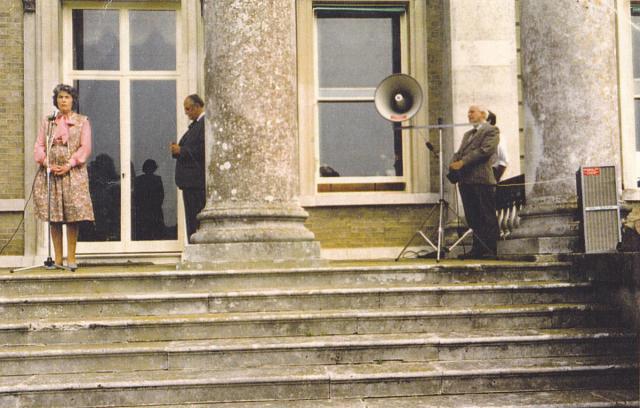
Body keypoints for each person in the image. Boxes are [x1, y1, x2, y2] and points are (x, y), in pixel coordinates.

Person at [33, 84, 94, 270]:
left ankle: (71, 258)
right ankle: (58, 259)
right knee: (55, 216)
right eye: (60, 97)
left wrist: (69, 164)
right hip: (51, 174)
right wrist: (46, 163)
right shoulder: (48, 122)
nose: (63, 100)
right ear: (56, 101)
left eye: (67, 97)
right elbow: (39, 145)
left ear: (73, 100)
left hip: (72, 174)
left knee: (72, 216)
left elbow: (85, 147)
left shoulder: (82, 121)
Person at [449, 105, 500, 259]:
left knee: (486, 215)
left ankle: (490, 249)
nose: (468, 115)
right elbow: (459, 152)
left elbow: (484, 151)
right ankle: (477, 249)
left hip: (482, 180)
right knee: (473, 217)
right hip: (466, 181)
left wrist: (462, 162)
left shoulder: (491, 130)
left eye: (472, 112)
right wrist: (452, 164)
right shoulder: (467, 134)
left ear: (483, 113)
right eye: (468, 112)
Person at [170, 94, 205, 243]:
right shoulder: (196, 125)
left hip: (196, 182)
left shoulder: (204, 123)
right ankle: (192, 244)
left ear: (197, 107)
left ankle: (196, 246)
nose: (186, 112)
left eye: (188, 109)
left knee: (195, 219)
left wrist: (181, 151)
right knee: (191, 219)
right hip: (190, 182)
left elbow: (203, 150)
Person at [487, 111, 508, 182]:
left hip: (491, 176)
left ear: (489, 121)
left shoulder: (498, 138)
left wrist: (494, 180)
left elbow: (504, 161)